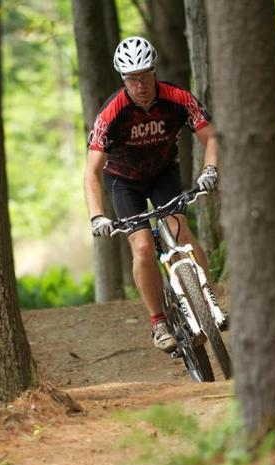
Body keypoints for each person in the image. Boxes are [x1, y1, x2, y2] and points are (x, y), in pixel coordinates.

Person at [83, 36, 219, 353]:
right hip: (123, 182)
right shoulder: (111, 113)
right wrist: (96, 216)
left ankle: (207, 299)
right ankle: (158, 322)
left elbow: (211, 138)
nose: (140, 84)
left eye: (144, 74)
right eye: (132, 78)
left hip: (162, 174)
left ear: (154, 71)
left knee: (178, 230)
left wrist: (210, 169)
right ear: (123, 79)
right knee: (143, 247)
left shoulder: (178, 98)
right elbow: (91, 171)